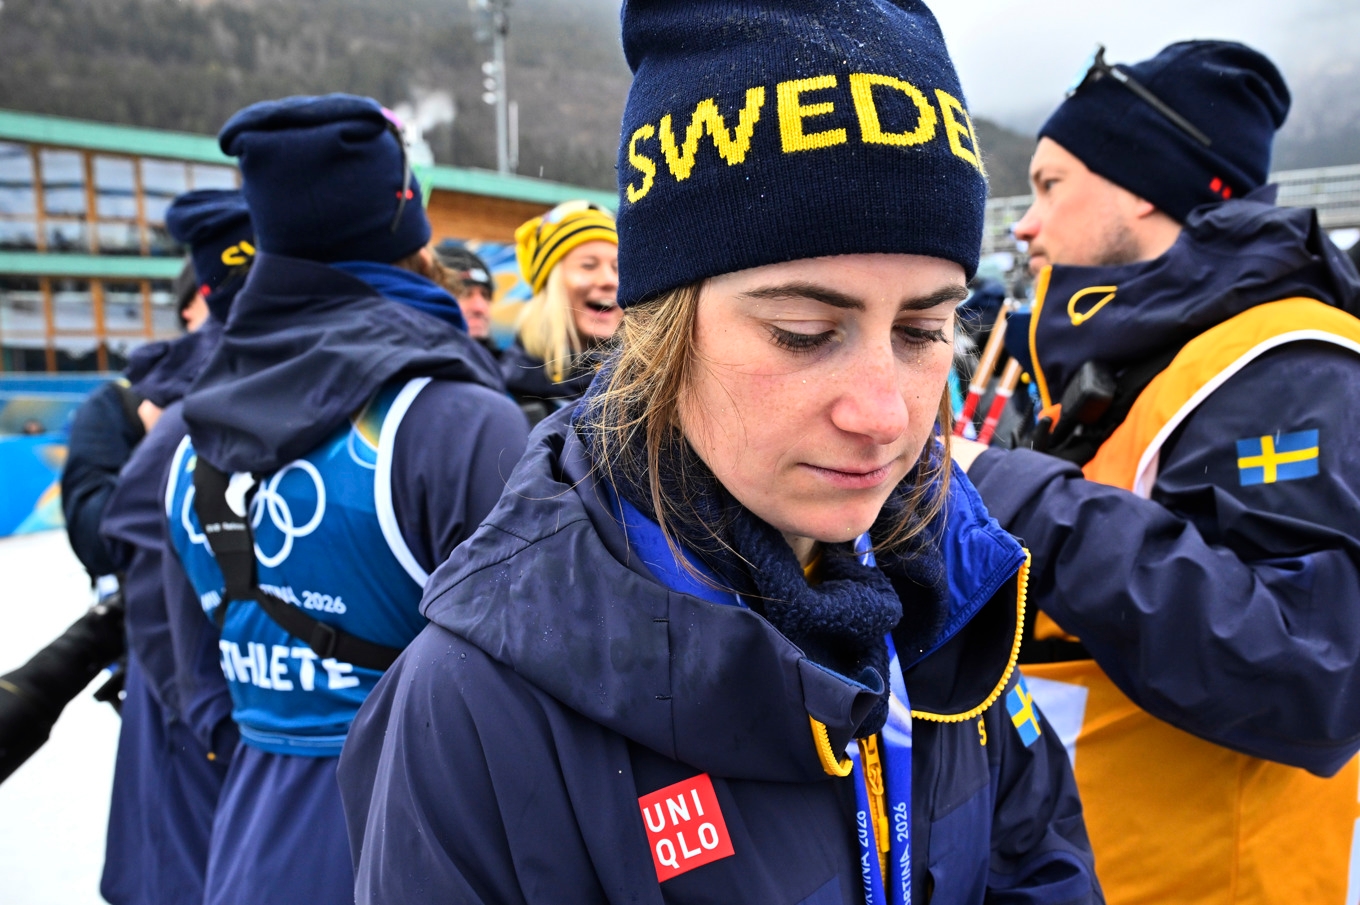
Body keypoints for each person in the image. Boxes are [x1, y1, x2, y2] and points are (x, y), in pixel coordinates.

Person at [339, 3, 1102, 903]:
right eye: (804, 331)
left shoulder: (951, 586)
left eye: (925, 328)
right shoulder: (475, 707)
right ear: (662, 329)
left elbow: (1040, 863)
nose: (884, 413)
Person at [951, 41, 1360, 904]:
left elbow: (1316, 674)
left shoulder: (1282, 364)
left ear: (1142, 187)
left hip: (1215, 878)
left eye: (1053, 183)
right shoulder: (1150, 355)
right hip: (1104, 859)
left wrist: (1010, 488)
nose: (1024, 222)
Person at [161, 95, 530, 905]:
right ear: (411, 232)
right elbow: (538, 698)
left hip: (250, 847)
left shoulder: (190, 438)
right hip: (421, 852)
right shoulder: (454, 420)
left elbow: (195, 681)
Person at [98, 189, 255, 905]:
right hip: (194, 738)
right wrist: (206, 705)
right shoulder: (213, 379)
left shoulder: (226, 364)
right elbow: (130, 524)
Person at [499, 200, 619, 423]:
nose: (609, 280)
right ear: (551, 285)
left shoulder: (654, 390)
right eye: (588, 265)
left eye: (617, 267)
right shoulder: (502, 396)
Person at [432, 241, 499, 357]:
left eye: (485, 295)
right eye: (465, 294)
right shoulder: (413, 367)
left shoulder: (508, 369)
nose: (480, 308)